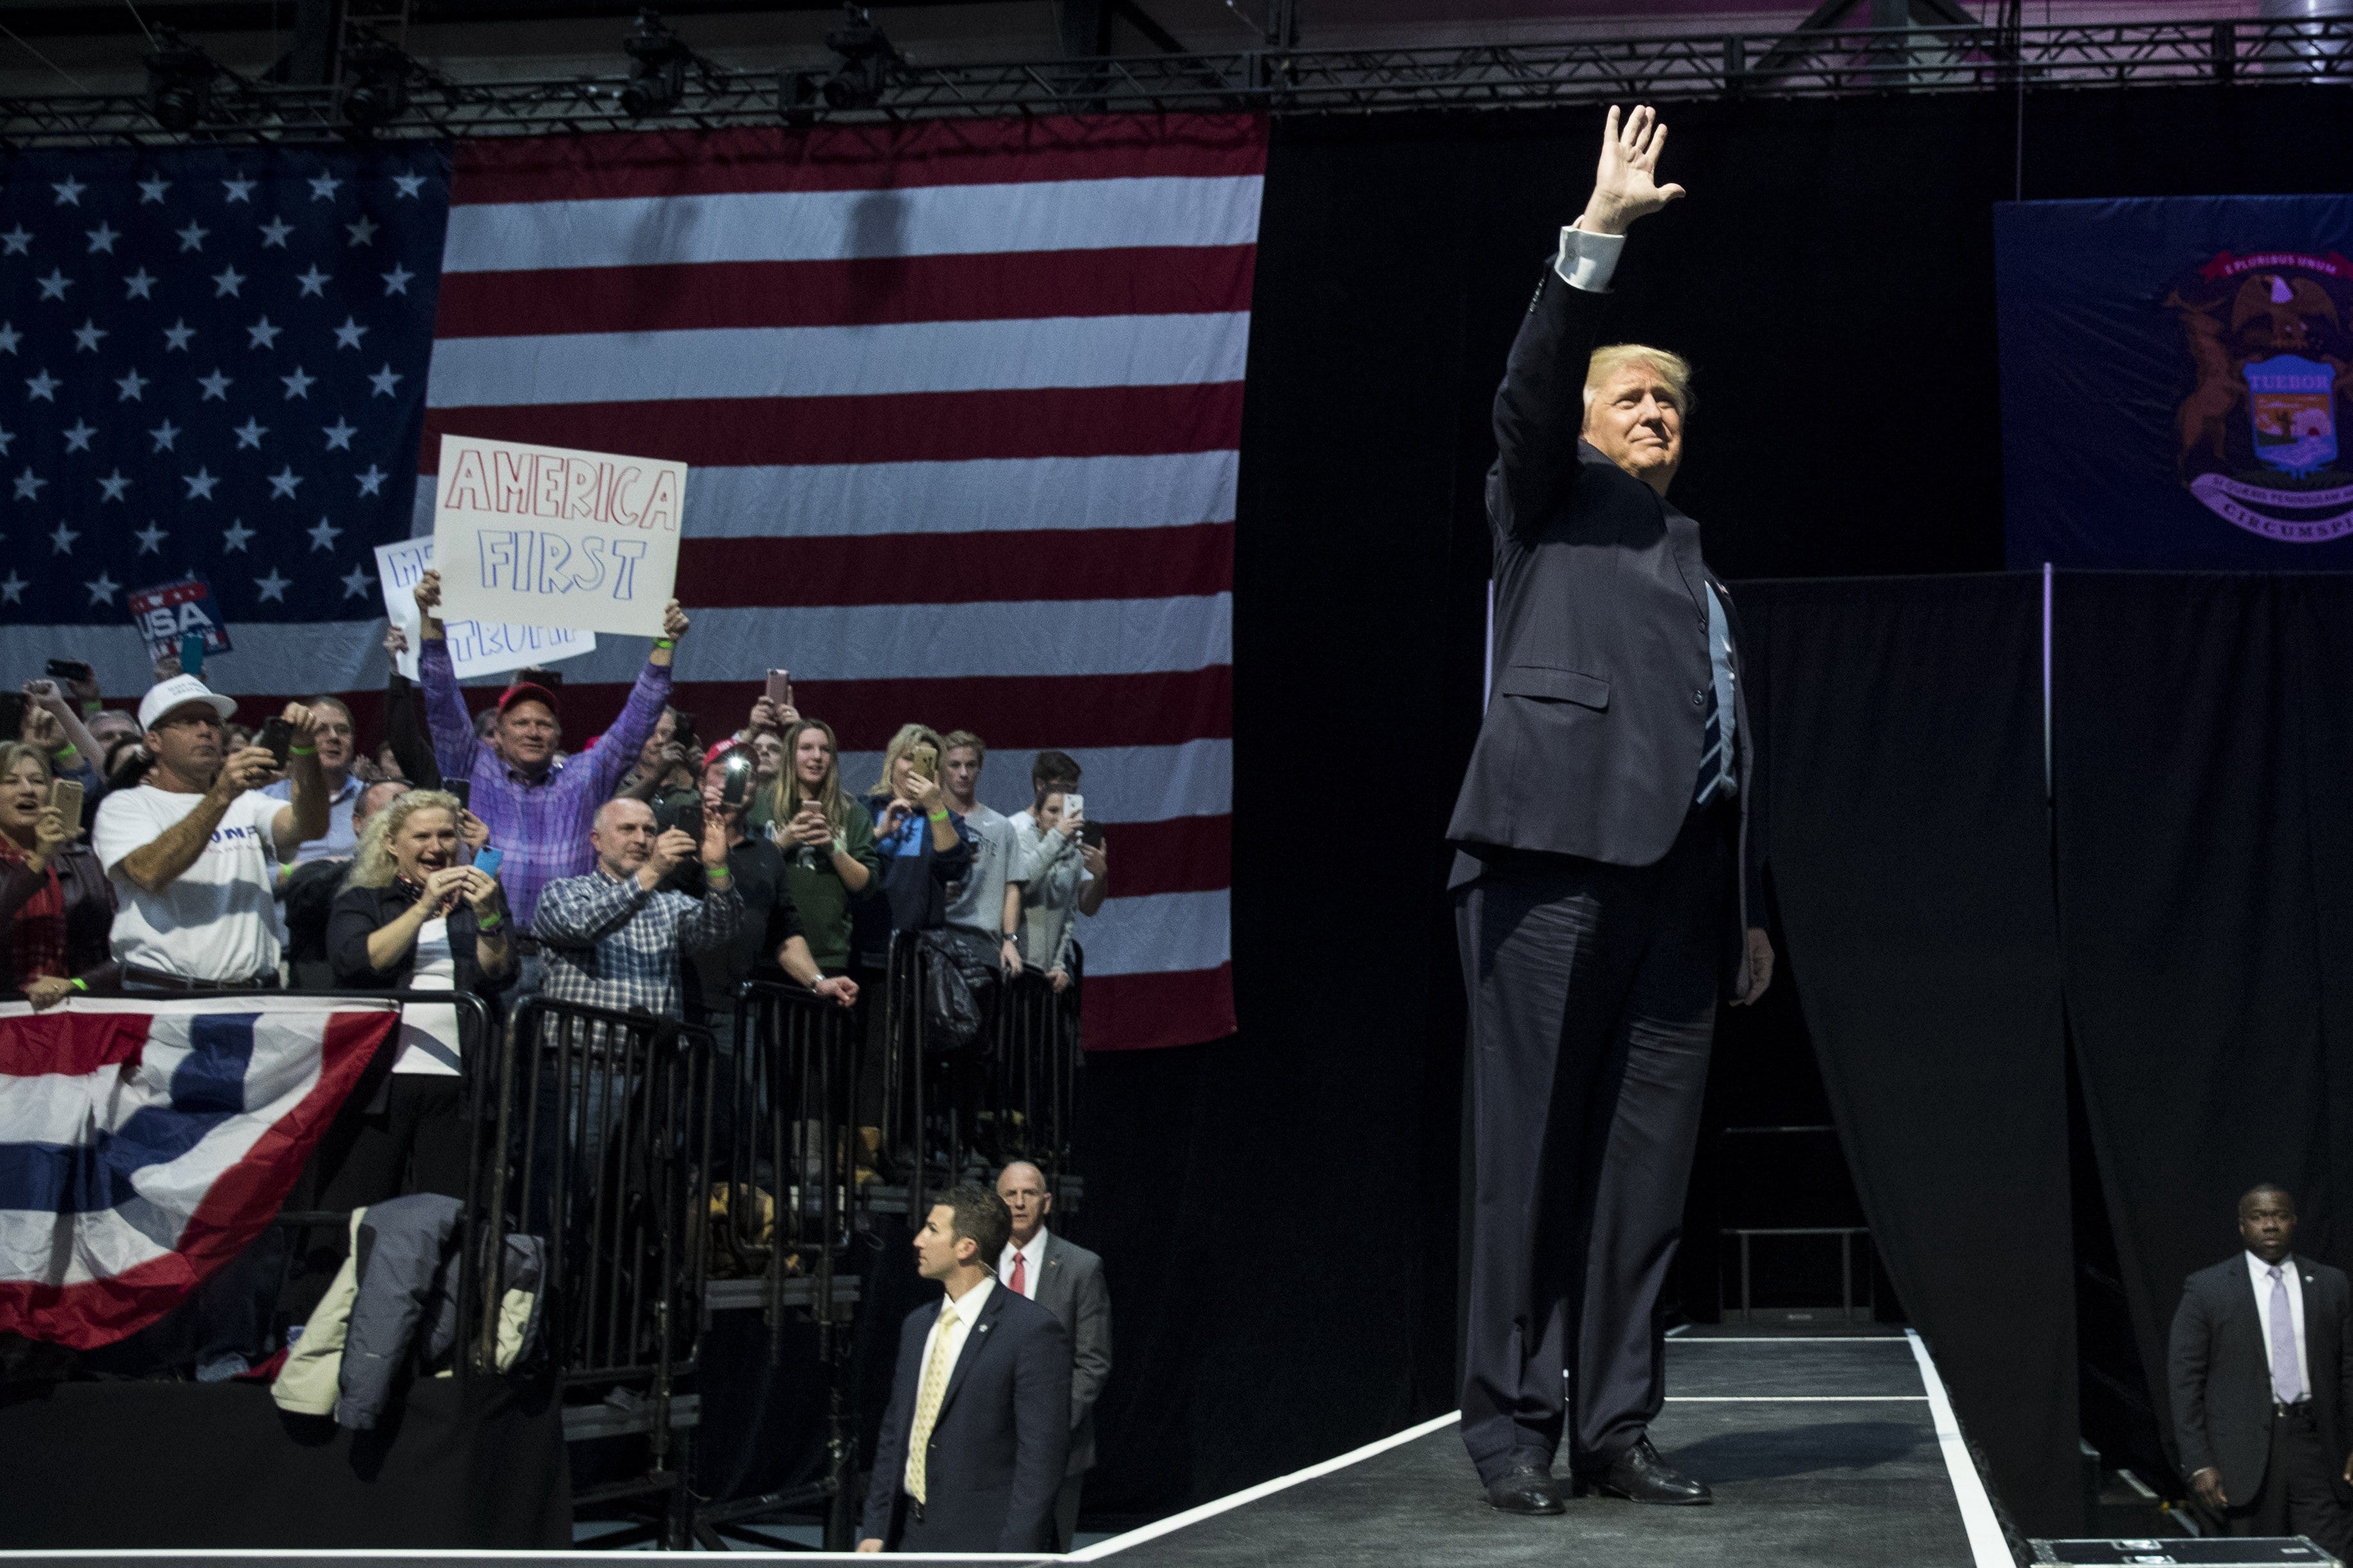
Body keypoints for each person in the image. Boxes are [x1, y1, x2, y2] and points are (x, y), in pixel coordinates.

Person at [1447, 106, 1773, 1516]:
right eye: (1633, 397)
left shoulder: (1698, 569)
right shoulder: (1543, 501)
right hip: (1546, 863)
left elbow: (1718, 748)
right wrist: (1600, 237)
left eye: (1671, 406)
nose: (1656, 416)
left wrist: (1741, 911)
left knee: (1642, 1186)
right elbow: (1525, 390)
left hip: (1683, 901)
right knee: (1526, 1164)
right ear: (1586, 420)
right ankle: (1512, 1428)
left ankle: (1615, 1424)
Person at [409, 568, 689, 941]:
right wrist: (431, 623)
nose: (533, 731)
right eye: (521, 722)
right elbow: (441, 701)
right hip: (488, 943)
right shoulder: (472, 766)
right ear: (499, 732)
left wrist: (664, 646)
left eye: (544, 724)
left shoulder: (585, 776)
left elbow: (638, 720)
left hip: (569, 949)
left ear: (558, 735)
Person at [858, 1184, 1070, 1555]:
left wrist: (1016, 1555)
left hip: (984, 1544)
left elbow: (1041, 1460)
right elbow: (895, 1434)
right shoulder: (917, 1326)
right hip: (906, 1538)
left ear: (966, 1247)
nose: (918, 1241)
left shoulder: (1031, 1331)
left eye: (932, 1230)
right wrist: (875, 1527)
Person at [92, 677, 329, 990]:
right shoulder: (125, 806)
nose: (206, 731)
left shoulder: (247, 802)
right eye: (189, 722)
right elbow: (149, 871)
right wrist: (219, 797)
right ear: (154, 741)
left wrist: (305, 749)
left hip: (255, 997)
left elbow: (309, 825)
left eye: (213, 723)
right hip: (166, 999)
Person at [2169, 1184, 2353, 1554]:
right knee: (2255, 1557)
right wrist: (2199, 1461)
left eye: (2279, 1216)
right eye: (2258, 1217)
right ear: (2242, 1226)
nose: (2270, 1225)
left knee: (2330, 1556)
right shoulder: (2208, 1288)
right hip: (2242, 1456)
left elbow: (2349, 1368)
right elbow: (2185, 1380)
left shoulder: (2331, 1283)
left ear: (2293, 1222)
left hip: (2317, 1447)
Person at [653, 741, 855, 1029]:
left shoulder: (767, 852)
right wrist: (702, 833)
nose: (729, 783)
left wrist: (817, 981)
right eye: (721, 773)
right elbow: (651, 894)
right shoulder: (673, 828)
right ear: (701, 781)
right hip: (673, 1003)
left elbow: (785, 932)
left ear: (755, 788)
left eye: (742, 775)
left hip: (738, 1010)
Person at [531, 796, 741, 1021]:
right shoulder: (561, 892)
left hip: (654, 1053)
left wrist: (717, 868)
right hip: (577, 1050)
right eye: (627, 829)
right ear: (597, 840)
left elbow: (721, 928)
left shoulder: (670, 905)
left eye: (650, 831)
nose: (641, 840)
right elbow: (582, 926)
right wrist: (653, 871)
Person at [996, 1161, 1109, 1550]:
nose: (1019, 1203)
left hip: (1057, 1447)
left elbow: (1093, 1361)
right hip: (987, 1447)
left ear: (1046, 1203)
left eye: (1029, 1194)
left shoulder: (1081, 1267)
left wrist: (1050, 1428)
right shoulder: (974, 1266)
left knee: (1048, 1555)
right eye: (1009, 1195)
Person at [0, 741, 117, 1006]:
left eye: (37, 781)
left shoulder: (85, 861)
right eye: (11, 781)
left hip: (72, 1018)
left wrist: (76, 984)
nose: (28, 790)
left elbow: (124, 953)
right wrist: (40, 859)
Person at [764, 718, 876, 976]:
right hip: (772, 951)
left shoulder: (853, 813)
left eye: (825, 750)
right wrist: (783, 842)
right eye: (806, 748)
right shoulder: (762, 803)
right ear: (790, 755)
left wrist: (832, 847)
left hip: (830, 954)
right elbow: (744, 871)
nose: (817, 757)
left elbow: (866, 886)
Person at [283, 778, 409, 989]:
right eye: (389, 815)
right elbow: (306, 896)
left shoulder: (425, 883)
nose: (398, 827)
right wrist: (373, 861)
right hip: (326, 1011)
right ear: (358, 823)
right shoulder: (319, 876)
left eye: (407, 818)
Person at [939, 731, 1027, 976]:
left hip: (985, 944)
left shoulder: (1001, 827)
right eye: (955, 765)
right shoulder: (930, 820)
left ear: (980, 769)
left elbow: (1012, 888)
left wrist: (1010, 940)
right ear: (942, 769)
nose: (963, 773)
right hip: (937, 939)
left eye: (971, 765)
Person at [265, 697, 364, 866]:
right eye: (321, 729)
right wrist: (292, 875)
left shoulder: (370, 798)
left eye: (342, 730)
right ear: (297, 740)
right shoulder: (267, 800)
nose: (334, 737)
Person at [1011, 752, 1109, 922]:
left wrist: (1100, 877)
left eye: (1073, 791)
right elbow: (1016, 892)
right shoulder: (1013, 828)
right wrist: (1057, 836)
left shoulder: (1076, 832)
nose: (1068, 797)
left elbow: (1087, 907)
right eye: (1062, 789)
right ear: (1040, 785)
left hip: (1059, 941)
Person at [1015, 790, 1087, 992]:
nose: (1060, 818)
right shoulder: (1020, 841)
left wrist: (1058, 965)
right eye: (1053, 810)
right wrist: (1057, 836)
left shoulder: (1075, 858)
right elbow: (1025, 886)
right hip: (1015, 963)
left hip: (1046, 972)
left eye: (1065, 812)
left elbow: (1068, 918)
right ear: (1037, 814)